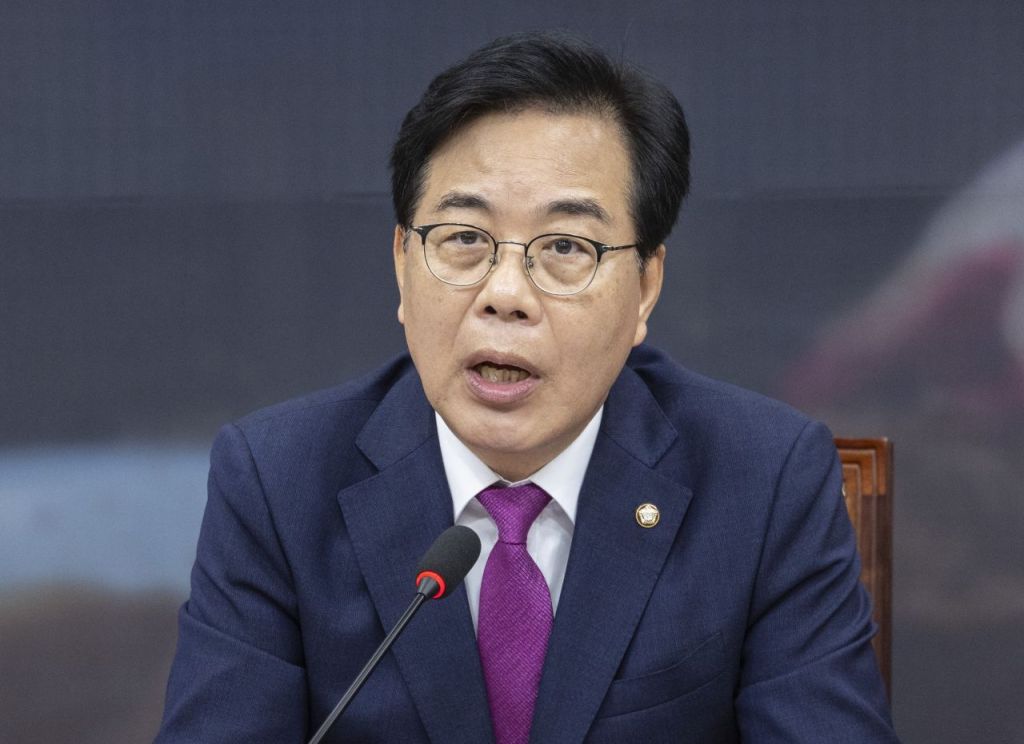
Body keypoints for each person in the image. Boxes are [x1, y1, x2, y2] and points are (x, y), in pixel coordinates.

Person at [156, 32, 898, 743]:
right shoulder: (279, 482)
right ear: (402, 265)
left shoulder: (762, 482)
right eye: (464, 239)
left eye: (566, 247)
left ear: (645, 287)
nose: (504, 295)